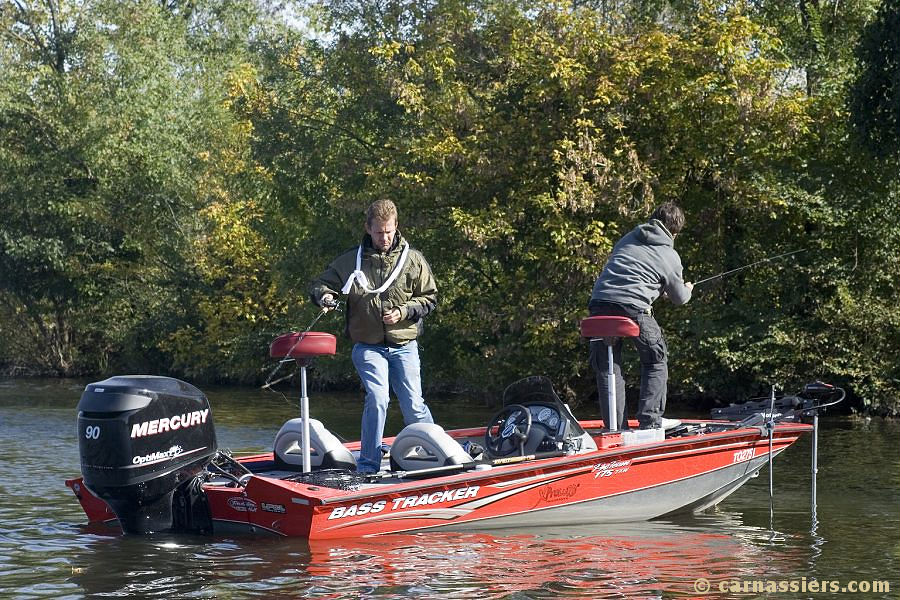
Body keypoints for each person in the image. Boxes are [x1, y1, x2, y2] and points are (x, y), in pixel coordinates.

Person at [311, 199, 437, 473]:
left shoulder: (413, 260)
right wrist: (325, 296)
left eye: (389, 231)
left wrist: (403, 312)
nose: (384, 237)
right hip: (368, 347)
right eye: (379, 232)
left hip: (404, 345)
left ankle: (436, 451)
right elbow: (321, 284)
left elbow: (429, 299)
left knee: (414, 405)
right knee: (378, 399)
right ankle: (368, 465)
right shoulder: (351, 260)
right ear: (368, 228)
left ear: (396, 227)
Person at [588, 202, 693, 431]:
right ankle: (650, 422)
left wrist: (657, 289)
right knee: (656, 358)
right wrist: (688, 288)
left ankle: (615, 428)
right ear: (675, 232)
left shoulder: (628, 238)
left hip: (598, 305)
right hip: (633, 309)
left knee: (607, 366)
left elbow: (627, 273)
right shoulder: (670, 254)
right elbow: (680, 298)